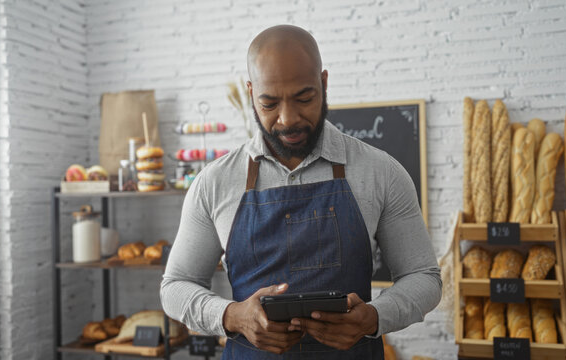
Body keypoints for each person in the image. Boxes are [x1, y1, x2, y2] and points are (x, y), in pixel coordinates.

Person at [161, 25, 441, 359]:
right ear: (251, 92)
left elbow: (423, 277)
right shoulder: (214, 182)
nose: (288, 119)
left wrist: (375, 317)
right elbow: (175, 287)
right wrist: (233, 316)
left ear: (324, 83)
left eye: (304, 98)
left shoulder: (382, 172)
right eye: (269, 103)